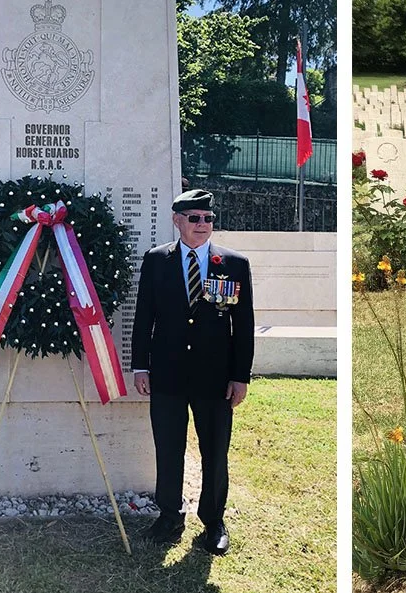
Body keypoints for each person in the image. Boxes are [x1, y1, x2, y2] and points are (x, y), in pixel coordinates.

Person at [131, 189, 255, 555]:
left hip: (214, 377)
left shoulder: (233, 264)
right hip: (167, 373)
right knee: (169, 447)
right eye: (195, 218)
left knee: (215, 450)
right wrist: (141, 366)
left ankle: (213, 519)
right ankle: (170, 515)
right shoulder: (156, 261)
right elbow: (144, 318)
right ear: (177, 220)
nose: (203, 225)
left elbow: (243, 325)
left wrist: (240, 376)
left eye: (208, 219)